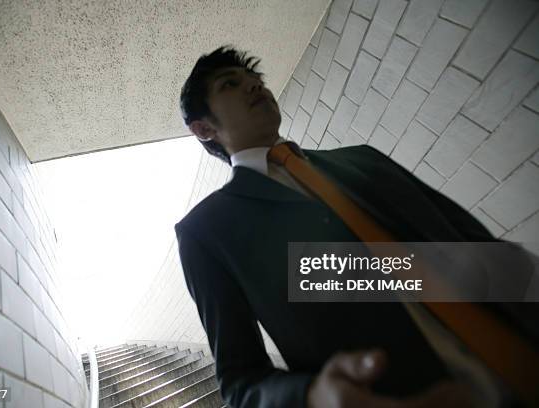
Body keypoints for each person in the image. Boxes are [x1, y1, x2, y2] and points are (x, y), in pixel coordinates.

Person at [173, 45, 501, 407]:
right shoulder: (206, 232)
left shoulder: (362, 158)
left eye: (256, 79)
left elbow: (469, 237)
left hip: (515, 353)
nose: (254, 85)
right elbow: (241, 384)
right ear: (203, 128)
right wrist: (313, 396)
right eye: (230, 84)